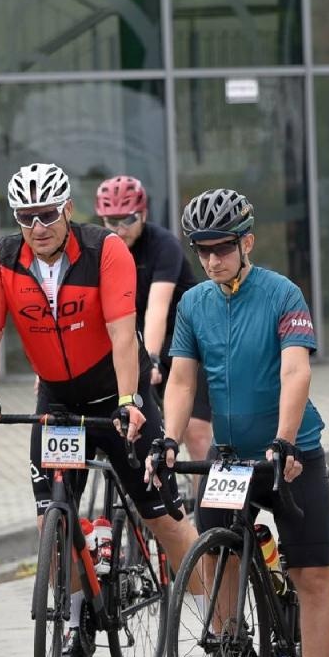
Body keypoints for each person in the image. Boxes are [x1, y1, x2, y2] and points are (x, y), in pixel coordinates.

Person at [0, 163, 197, 657]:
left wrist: (129, 400)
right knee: (53, 513)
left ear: (68, 209)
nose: (38, 225)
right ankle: (75, 624)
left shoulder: (103, 250)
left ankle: (224, 631)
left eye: (48, 214)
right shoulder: (3, 259)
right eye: (26, 217)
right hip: (59, 401)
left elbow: (123, 334)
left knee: (165, 520)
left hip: (116, 392)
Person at [153, 188, 329, 657]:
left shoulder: (283, 294)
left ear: (247, 242)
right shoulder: (194, 304)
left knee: (311, 575)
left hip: (291, 453)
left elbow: (295, 374)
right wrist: (168, 438)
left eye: (222, 249)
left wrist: (283, 443)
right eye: (202, 250)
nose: (211, 260)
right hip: (231, 456)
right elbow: (183, 380)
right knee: (217, 549)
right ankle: (235, 643)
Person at [95, 174, 212, 461]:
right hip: (133, 337)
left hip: (184, 336)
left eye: (128, 220)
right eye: (112, 221)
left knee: (194, 430)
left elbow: (157, 308)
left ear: (143, 214)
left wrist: (152, 357)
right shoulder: (100, 248)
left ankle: (203, 505)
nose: (120, 229)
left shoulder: (163, 245)